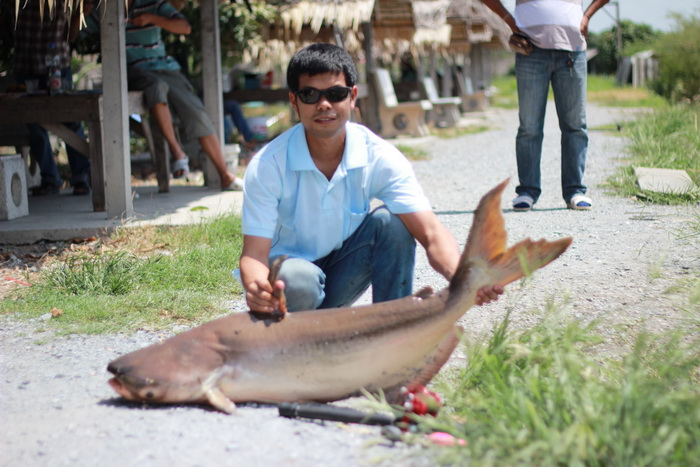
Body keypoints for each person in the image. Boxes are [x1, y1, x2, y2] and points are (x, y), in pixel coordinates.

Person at [238, 43, 503, 315]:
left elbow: (431, 233)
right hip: (289, 288)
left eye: (336, 93)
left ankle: (389, 328)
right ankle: (297, 339)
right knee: (299, 279)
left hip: (342, 274)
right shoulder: (268, 165)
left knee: (393, 223)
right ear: (294, 102)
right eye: (310, 95)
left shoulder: (379, 156)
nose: (324, 104)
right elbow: (254, 255)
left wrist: (464, 278)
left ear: (352, 97)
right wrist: (258, 289)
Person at [84, 0, 242, 190]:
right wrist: (81, 13)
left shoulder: (154, 4)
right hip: (132, 71)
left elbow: (185, 28)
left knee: (197, 112)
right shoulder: (104, 8)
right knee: (155, 88)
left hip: (166, 68)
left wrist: (151, 18)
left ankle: (225, 175)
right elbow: (75, 36)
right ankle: (177, 153)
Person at [483, 0, 609, 211]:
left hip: (572, 51)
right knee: (529, 127)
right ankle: (527, 192)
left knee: (575, 125)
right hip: (530, 52)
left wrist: (586, 16)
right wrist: (510, 21)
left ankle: (575, 191)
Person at [13, 0, 91, 196]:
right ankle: (49, 178)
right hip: (26, 65)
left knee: (71, 119)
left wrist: (81, 12)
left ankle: (81, 176)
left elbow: (71, 34)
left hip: (56, 65)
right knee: (33, 124)